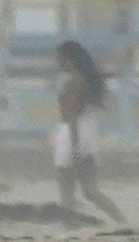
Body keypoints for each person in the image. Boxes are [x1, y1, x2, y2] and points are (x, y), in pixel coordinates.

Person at [53, 40, 126, 223]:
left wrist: (75, 146)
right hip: (89, 131)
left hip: (72, 134)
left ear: (69, 59)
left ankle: (68, 225)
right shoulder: (89, 78)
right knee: (91, 191)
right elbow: (107, 74)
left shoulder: (71, 83)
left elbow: (71, 117)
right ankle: (122, 220)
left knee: (66, 187)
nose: (57, 62)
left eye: (60, 58)